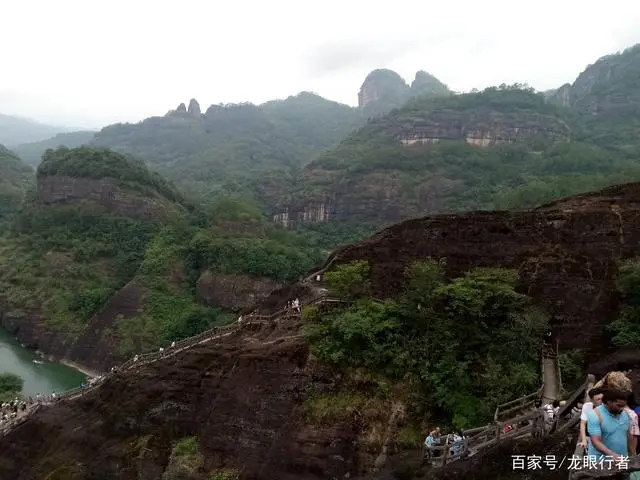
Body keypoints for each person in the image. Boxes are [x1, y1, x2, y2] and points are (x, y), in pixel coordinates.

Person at [586, 388, 635, 460]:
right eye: (619, 405)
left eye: (623, 406)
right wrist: (611, 454)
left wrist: (633, 453)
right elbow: (595, 441)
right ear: (608, 402)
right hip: (600, 461)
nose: (622, 409)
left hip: (622, 459)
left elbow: (628, 434)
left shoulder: (624, 414)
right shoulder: (595, 415)